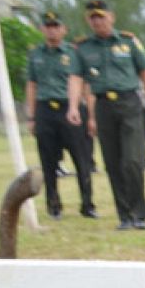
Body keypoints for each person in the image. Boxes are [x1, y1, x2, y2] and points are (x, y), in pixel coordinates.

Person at [68, 0, 145, 231]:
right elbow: (76, 78)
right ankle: (125, 215)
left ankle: (139, 212)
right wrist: (73, 106)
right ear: (88, 21)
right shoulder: (83, 48)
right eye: (93, 17)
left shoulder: (128, 42)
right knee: (112, 162)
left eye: (102, 16)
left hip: (129, 103)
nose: (98, 21)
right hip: (102, 106)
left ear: (112, 17)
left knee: (132, 161)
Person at [26, 11, 95, 220]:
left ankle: (87, 204)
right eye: (48, 26)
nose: (52, 29)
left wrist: (91, 115)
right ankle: (54, 205)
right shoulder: (35, 54)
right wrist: (31, 116)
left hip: (70, 109)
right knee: (48, 161)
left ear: (63, 29)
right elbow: (32, 84)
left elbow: (85, 85)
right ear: (42, 29)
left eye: (56, 26)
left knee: (81, 159)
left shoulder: (74, 53)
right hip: (45, 110)